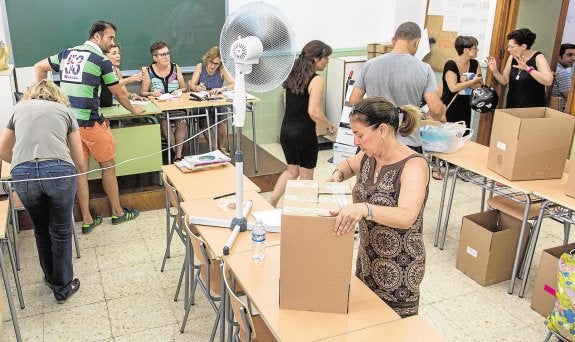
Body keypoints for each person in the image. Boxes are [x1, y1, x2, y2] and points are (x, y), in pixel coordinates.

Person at [34, 20, 143, 234]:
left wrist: (43, 99)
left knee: (80, 171)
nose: (113, 42)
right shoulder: (101, 60)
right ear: (97, 36)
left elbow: (39, 67)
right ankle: (118, 212)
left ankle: (86, 220)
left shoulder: (68, 53)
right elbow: (118, 92)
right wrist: (133, 110)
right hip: (91, 123)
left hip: (69, 125)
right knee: (108, 166)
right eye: (110, 37)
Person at [328, 96, 429, 318]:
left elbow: (406, 217)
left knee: (392, 330)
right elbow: (347, 166)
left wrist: (365, 209)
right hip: (367, 260)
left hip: (399, 271)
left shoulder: (413, 165)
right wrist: (337, 175)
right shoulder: (368, 155)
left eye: (360, 134)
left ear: (382, 130)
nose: (356, 141)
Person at [0, 80, 83, 303]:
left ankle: (50, 278)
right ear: (57, 95)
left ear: (30, 94)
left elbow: (2, 150)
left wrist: (21, 165)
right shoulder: (65, 111)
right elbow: (79, 158)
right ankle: (63, 287)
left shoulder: (18, 109)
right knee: (62, 231)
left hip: (24, 174)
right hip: (59, 170)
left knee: (41, 229)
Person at [350, 22, 446, 153]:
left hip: (373, 138)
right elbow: (435, 110)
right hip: (407, 142)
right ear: (417, 42)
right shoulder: (424, 69)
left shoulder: (370, 65)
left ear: (393, 40)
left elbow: (354, 101)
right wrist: (440, 112)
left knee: (370, 173)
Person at [269, 40, 336, 207]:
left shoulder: (293, 74)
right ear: (316, 58)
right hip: (303, 134)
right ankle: (304, 213)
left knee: (291, 171)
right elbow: (313, 111)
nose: (327, 62)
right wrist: (329, 124)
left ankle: (271, 202)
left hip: (286, 131)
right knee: (306, 176)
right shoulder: (316, 80)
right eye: (326, 58)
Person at [434, 36, 483, 180]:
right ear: (466, 50)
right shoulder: (451, 64)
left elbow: (480, 84)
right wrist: (471, 82)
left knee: (462, 133)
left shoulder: (475, 64)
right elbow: (453, 87)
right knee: (444, 134)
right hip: (449, 103)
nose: (477, 50)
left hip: (465, 103)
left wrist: (469, 82)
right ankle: (436, 166)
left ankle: (459, 166)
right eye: (475, 47)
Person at [141, 41, 188, 162]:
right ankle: (174, 151)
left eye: (167, 53)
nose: (167, 56)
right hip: (160, 107)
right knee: (165, 123)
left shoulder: (175, 68)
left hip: (177, 105)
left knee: (181, 122)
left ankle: (178, 155)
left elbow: (184, 88)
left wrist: (179, 90)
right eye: (163, 54)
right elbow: (143, 92)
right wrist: (152, 93)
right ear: (155, 57)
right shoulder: (149, 71)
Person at [487, 28, 554, 108]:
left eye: (512, 47)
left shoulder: (538, 57)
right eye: (508, 47)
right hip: (512, 105)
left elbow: (548, 81)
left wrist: (528, 68)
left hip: (532, 108)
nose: (508, 50)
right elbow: (504, 81)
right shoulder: (512, 57)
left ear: (523, 46)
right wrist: (495, 71)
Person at [188, 46, 235, 156]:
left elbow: (234, 84)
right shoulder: (200, 67)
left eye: (216, 63)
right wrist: (197, 87)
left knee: (222, 118)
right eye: (211, 62)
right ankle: (214, 149)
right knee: (204, 121)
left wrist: (221, 89)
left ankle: (221, 147)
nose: (212, 66)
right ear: (207, 59)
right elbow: (191, 84)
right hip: (202, 101)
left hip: (216, 100)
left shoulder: (221, 69)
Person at [552, 43, 575, 111]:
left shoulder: (555, 68)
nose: (573, 58)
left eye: (574, 55)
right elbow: (571, 98)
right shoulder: (561, 72)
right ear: (559, 56)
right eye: (569, 55)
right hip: (563, 111)